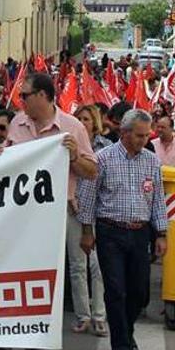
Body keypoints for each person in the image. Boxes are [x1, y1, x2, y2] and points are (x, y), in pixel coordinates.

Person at [0, 72, 97, 350]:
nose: (21, 101)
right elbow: (9, 161)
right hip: (21, 214)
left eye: (25, 95)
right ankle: (5, 341)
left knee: (47, 278)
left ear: (43, 95)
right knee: (13, 274)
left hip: (58, 213)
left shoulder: (72, 127)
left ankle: (35, 340)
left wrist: (72, 157)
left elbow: (91, 171)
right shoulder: (17, 123)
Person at [78, 109, 168, 350]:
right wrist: (87, 232)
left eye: (146, 135)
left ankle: (128, 332)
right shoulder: (103, 159)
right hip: (110, 232)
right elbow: (87, 197)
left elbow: (157, 200)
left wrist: (161, 234)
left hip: (140, 233)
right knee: (116, 289)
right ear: (125, 133)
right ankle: (120, 344)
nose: (143, 140)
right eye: (139, 135)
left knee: (139, 291)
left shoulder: (151, 161)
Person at [69, 105, 110, 337]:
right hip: (72, 210)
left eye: (86, 119)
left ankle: (99, 316)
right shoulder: (67, 145)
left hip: (97, 213)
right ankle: (82, 315)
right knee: (77, 266)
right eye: (78, 118)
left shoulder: (105, 148)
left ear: (94, 123)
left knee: (97, 266)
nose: (82, 122)